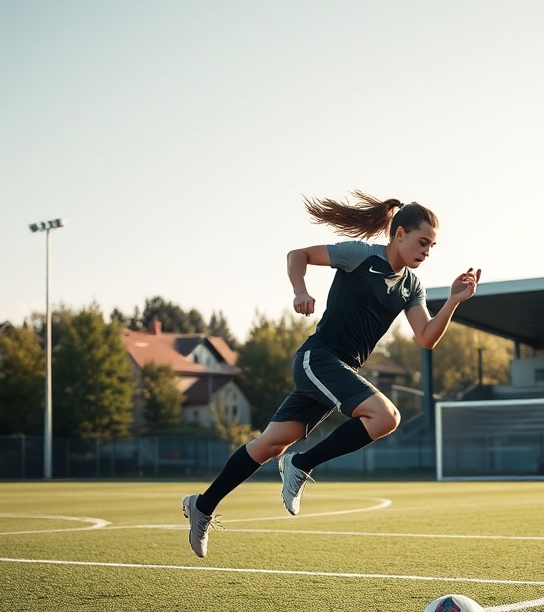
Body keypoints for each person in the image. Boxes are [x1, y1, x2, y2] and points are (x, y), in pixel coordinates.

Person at [182, 192, 481, 557]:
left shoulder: (410, 287)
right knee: (386, 416)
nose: (427, 252)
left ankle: (202, 505)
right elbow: (298, 255)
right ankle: (300, 463)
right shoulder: (361, 256)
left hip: (337, 371)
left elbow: (425, 338)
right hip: (318, 358)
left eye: (432, 246)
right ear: (399, 234)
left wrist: (452, 301)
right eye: (422, 242)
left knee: (270, 445)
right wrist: (300, 290)